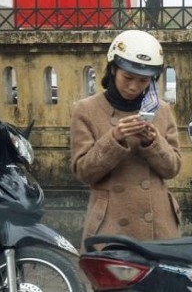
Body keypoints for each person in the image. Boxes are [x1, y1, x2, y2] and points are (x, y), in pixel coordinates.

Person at [71, 30, 182, 249]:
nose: (133, 87)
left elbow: (173, 169)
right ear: (113, 69)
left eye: (143, 80)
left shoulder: (162, 110)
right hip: (110, 228)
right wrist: (114, 138)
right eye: (127, 78)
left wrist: (153, 142)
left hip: (159, 230)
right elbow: (83, 171)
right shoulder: (86, 110)